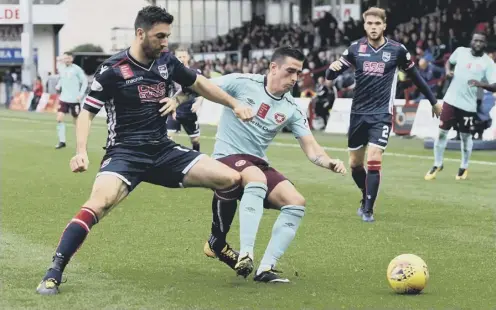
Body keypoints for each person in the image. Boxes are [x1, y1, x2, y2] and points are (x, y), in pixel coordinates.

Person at [36, 5, 253, 295]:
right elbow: (87, 112)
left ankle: (217, 242)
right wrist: (81, 151)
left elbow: (199, 83)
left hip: (163, 149)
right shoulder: (112, 70)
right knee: (99, 203)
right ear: (140, 33)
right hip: (125, 153)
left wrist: (234, 104)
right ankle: (54, 272)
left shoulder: (167, 61)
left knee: (231, 179)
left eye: (167, 36)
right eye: (159, 36)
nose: (165, 42)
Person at [193, 46, 346, 283]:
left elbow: (312, 148)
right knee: (256, 177)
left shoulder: (291, 108)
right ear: (273, 67)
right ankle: (246, 254)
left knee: (296, 202)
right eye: (290, 71)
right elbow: (200, 83)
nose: (295, 78)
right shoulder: (242, 82)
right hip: (226, 158)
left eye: (298, 73)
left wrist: (329, 162)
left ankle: (265, 268)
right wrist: (188, 99)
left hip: (256, 163)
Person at [325, 7, 442, 222]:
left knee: (374, 158)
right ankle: (365, 195)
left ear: (384, 25)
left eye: (377, 24)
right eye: (369, 23)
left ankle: (368, 210)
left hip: (381, 114)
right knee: (354, 164)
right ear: (364, 25)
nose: (373, 27)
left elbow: (416, 77)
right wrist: (332, 69)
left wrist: (434, 102)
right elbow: (331, 75)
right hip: (358, 114)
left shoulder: (397, 50)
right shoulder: (355, 49)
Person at [425, 32, 496, 180]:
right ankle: (437, 164)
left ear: (484, 44)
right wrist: (448, 72)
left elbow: (494, 85)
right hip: (450, 100)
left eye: (481, 41)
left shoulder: (488, 63)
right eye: (475, 40)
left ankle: (464, 167)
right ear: (471, 41)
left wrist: (480, 84)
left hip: (468, 106)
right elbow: (449, 63)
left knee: (465, 137)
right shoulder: (460, 52)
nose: (477, 43)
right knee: (442, 132)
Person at [166, 47, 202, 151]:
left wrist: (198, 103)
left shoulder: (195, 72)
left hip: (189, 112)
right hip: (174, 111)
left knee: (195, 140)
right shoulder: (170, 73)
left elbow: (202, 91)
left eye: (184, 56)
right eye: (179, 57)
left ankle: (197, 158)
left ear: (188, 57)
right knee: (168, 137)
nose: (182, 58)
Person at [55, 52, 88, 149]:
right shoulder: (61, 68)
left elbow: (85, 82)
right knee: (59, 118)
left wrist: (81, 95)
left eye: (68, 58)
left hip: (74, 99)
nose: (66, 60)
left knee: (76, 121)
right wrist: (59, 85)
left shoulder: (77, 69)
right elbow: (62, 78)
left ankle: (80, 142)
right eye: (65, 58)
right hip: (63, 98)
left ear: (72, 59)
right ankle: (62, 141)